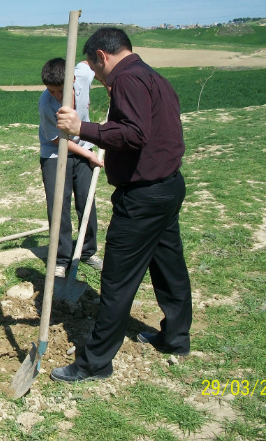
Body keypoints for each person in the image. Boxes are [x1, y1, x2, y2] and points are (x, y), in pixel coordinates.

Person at [51, 27, 192, 383]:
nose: (98, 79)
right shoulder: (154, 77)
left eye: (96, 71)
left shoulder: (128, 81)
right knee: (168, 266)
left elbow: (134, 134)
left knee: (116, 281)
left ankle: (95, 362)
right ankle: (176, 337)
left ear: (102, 56)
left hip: (143, 198)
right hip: (168, 188)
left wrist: (84, 127)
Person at [39, 58, 104, 277]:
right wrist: (89, 154)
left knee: (86, 201)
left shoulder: (82, 75)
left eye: (60, 91)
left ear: (73, 79)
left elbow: (93, 63)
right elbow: (59, 140)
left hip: (84, 145)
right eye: (51, 91)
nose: (57, 96)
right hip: (55, 153)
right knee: (59, 205)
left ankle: (87, 251)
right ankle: (61, 258)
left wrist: (111, 84)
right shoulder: (46, 103)